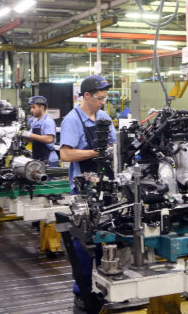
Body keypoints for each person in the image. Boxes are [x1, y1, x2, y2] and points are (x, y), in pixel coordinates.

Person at [59, 75, 117, 311]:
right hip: (83, 190)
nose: (103, 102)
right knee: (83, 242)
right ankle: (81, 291)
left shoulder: (104, 117)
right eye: (99, 98)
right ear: (86, 96)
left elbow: (115, 147)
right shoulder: (72, 120)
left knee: (108, 236)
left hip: (107, 185)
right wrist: (95, 153)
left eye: (105, 98)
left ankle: (106, 286)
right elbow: (65, 154)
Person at [21, 96, 59, 166]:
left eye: (34, 107)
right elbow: (32, 139)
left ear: (41, 107)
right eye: (31, 108)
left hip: (49, 160)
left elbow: (49, 139)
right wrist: (23, 136)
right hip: (38, 159)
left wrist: (30, 135)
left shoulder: (48, 121)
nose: (31, 110)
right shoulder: (36, 122)